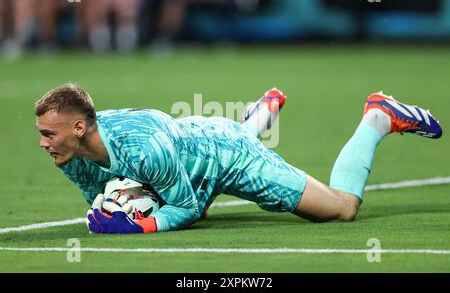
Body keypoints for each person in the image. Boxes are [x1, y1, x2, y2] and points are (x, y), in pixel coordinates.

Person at [34, 84, 442, 234]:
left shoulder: (143, 147)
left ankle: (378, 117)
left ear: (79, 129)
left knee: (340, 210)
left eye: (48, 134)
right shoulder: (71, 155)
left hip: (228, 156)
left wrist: (144, 226)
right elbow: (102, 197)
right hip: (193, 147)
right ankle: (256, 116)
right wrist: (107, 213)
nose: (43, 143)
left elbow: (188, 207)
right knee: (203, 168)